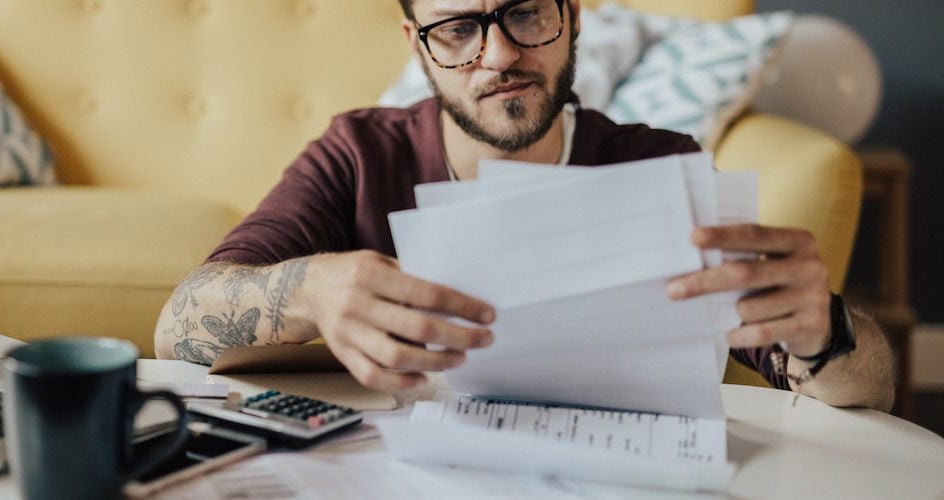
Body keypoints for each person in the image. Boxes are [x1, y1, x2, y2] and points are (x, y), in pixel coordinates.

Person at [155, 0, 895, 411]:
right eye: (459, 29)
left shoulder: (655, 166)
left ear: (573, 15)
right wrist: (313, 288)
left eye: (528, 14)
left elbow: (870, 389)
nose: (500, 54)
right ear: (418, 44)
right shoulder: (357, 154)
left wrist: (822, 329)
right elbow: (179, 326)